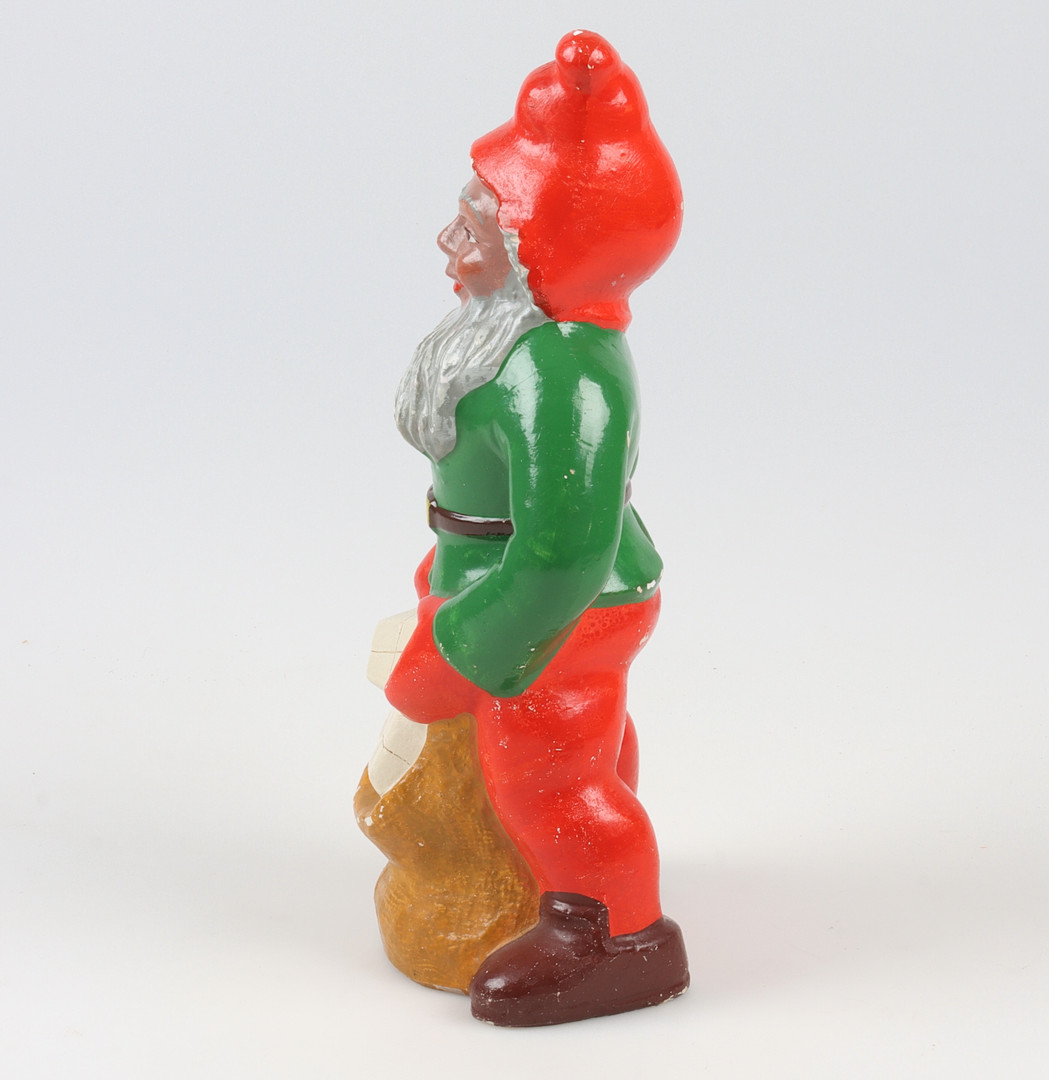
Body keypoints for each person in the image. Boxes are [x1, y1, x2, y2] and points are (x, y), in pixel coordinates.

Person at [382, 29, 689, 1027]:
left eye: (478, 224)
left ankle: (615, 933)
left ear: (537, 253)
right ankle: (579, 859)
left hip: (565, 607)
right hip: (493, 569)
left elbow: (562, 553)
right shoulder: (510, 342)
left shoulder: (557, 367)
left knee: (549, 777)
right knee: (572, 757)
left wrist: (466, 647)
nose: (449, 241)